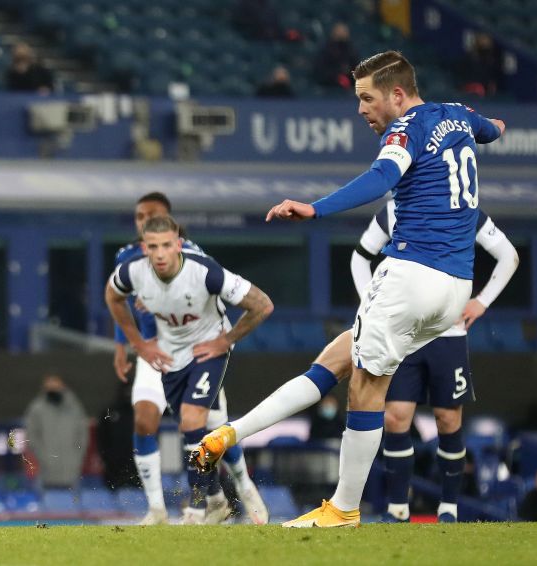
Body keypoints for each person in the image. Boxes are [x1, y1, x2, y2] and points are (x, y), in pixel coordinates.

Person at [191, 50, 506, 528]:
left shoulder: (406, 129)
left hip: (412, 274)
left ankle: (343, 507)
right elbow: (492, 127)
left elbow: (382, 177)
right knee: (337, 360)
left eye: (367, 98)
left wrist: (315, 208)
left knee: (365, 387)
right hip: (456, 287)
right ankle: (228, 435)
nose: (361, 110)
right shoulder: (459, 115)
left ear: (397, 96)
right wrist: (496, 127)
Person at [352, 202, 519, 522]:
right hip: (405, 335)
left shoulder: (465, 209)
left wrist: (481, 302)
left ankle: (449, 508)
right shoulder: (394, 210)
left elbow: (508, 255)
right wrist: (371, 305)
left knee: (447, 420)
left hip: (449, 338)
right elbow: (360, 257)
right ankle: (398, 507)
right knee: (396, 417)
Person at [106, 215, 274, 524]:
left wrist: (227, 339)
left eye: (167, 246)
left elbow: (262, 304)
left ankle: (200, 508)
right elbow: (112, 296)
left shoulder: (206, 271)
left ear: (179, 245)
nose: (159, 254)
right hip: (171, 355)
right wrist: (138, 344)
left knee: (193, 420)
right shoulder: (132, 272)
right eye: (153, 247)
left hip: (208, 348)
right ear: (144, 248)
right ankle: (218, 499)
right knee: (196, 428)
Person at [24, 374, 89, 490]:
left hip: (71, 472)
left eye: (56, 386)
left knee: (71, 505)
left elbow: (82, 436)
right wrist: (43, 457)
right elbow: (32, 437)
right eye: (50, 387)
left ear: (63, 386)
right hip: (46, 472)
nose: (53, 390)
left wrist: (76, 458)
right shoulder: (36, 409)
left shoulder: (74, 408)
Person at [313, 23, 359, 91]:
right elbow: (321, 69)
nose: (342, 33)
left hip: (349, 81)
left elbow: (356, 66)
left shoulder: (350, 49)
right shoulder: (326, 49)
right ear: (333, 32)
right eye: (339, 31)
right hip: (330, 82)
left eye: (344, 31)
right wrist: (338, 75)